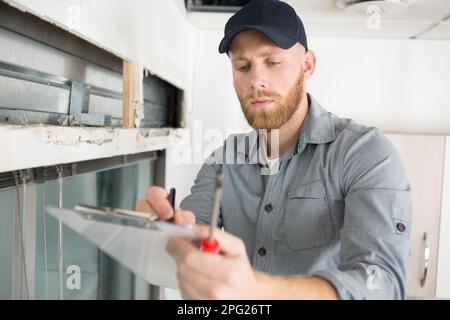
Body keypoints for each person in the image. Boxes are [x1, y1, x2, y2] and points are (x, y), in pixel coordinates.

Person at [136, 0, 412, 300]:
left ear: (307, 66)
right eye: (243, 66)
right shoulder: (224, 158)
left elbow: (383, 285)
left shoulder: (363, 152)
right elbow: (190, 239)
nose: (256, 80)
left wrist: (257, 290)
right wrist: (164, 231)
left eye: (272, 62)